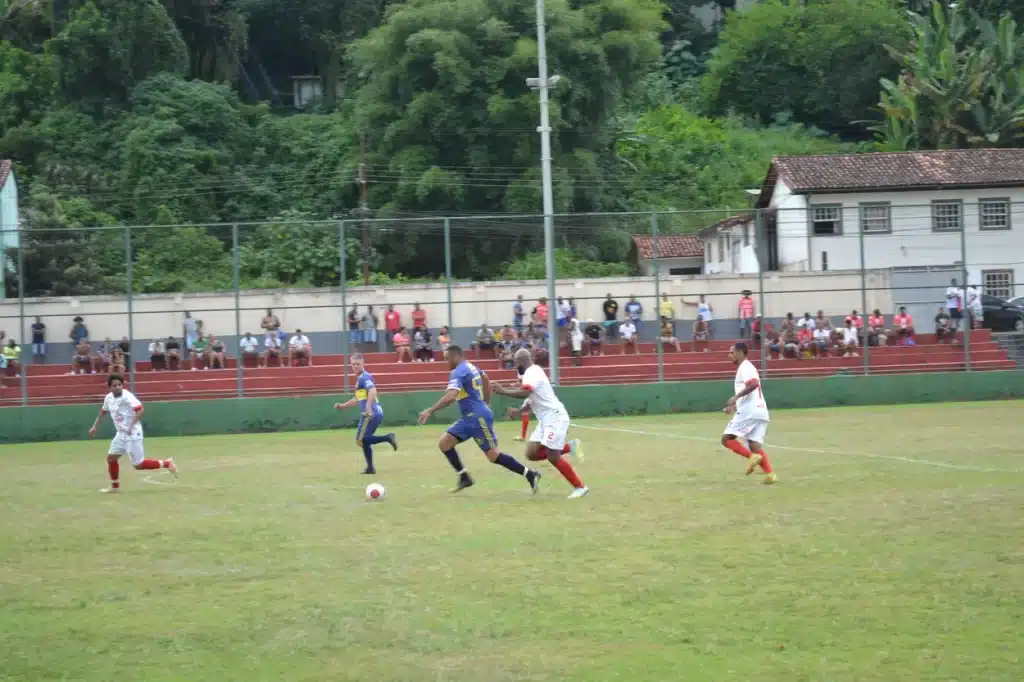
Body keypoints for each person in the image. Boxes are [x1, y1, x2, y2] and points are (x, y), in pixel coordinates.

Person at [416, 345, 541, 494]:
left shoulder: (458, 372)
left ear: (456, 357)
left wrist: (430, 410)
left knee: (493, 456)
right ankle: (464, 477)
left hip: (477, 418)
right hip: (469, 417)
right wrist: (486, 402)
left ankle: (530, 475)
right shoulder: (470, 367)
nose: (446, 363)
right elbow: (486, 378)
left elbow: (450, 397)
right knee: (445, 443)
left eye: (447, 359)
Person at [492, 348, 588, 498]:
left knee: (552, 456)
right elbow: (531, 399)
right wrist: (518, 411)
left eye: (516, 363)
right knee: (531, 453)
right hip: (545, 421)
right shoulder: (530, 374)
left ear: (522, 361)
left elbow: (526, 392)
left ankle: (580, 487)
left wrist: (503, 391)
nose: (515, 366)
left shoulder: (532, 373)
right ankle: (571, 446)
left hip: (555, 418)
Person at [88, 374, 178, 493]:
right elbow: (103, 412)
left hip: (133, 433)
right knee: (111, 458)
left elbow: (140, 409)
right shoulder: (108, 398)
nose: (118, 387)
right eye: (114, 385)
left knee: (138, 465)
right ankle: (115, 488)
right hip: (121, 434)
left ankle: (167, 463)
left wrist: (131, 425)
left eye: (119, 385)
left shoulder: (127, 396)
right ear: (109, 387)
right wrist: (95, 426)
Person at [720, 343, 776, 485]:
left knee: (726, 439)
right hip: (760, 411)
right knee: (755, 445)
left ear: (740, 352)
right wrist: (733, 405)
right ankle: (770, 474)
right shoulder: (746, 368)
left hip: (750, 411)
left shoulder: (745, 367)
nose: (729, 356)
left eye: (731, 353)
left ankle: (752, 457)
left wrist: (736, 397)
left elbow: (754, 384)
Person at [334, 354, 398, 475]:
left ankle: (388, 437)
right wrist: (343, 406)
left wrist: (368, 407)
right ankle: (370, 468)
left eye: (357, 364)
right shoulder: (360, 379)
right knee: (363, 441)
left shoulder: (365, 377)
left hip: (371, 413)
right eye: (353, 364)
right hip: (373, 413)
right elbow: (358, 398)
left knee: (361, 440)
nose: (355, 366)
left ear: (363, 364)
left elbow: (373, 390)